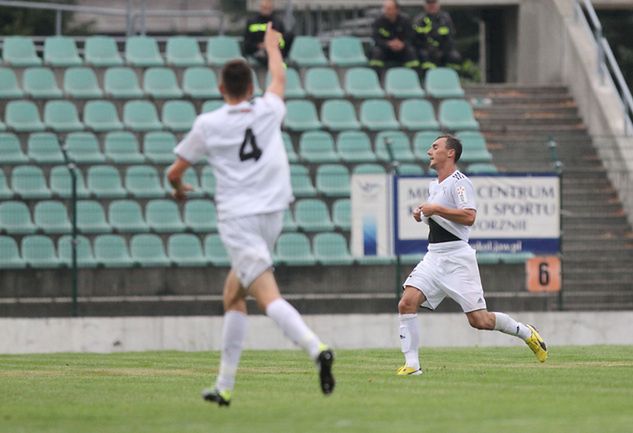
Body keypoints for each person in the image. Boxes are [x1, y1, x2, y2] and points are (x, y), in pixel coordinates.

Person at [167, 23, 334, 406]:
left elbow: (175, 171)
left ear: (221, 88)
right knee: (233, 294)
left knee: (266, 295)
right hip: (273, 213)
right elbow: (278, 76)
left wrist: (178, 190)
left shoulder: (208, 124)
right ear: (251, 87)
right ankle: (224, 387)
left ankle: (316, 348)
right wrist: (273, 46)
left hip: (238, 218)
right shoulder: (269, 108)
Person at [396, 135, 548, 376]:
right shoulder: (434, 186)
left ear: (450, 153)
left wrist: (434, 209)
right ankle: (412, 366)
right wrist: (422, 214)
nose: (429, 152)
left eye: (435, 147)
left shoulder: (460, 183)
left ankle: (526, 332)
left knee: (480, 321)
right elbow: (439, 217)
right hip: (434, 256)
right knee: (406, 302)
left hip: (457, 258)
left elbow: (469, 216)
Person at [412, 0, 461, 72]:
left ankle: (452, 78)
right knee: (423, 57)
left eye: (433, 3)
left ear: (438, 5)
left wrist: (442, 51)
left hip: (443, 50)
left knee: (455, 57)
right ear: (425, 6)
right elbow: (415, 39)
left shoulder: (446, 19)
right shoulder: (419, 20)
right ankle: (426, 78)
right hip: (425, 50)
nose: (432, 6)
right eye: (429, 3)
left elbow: (450, 38)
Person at [369, 0, 419, 69]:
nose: (386, 11)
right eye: (385, 8)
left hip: (402, 49)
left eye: (389, 9)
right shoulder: (378, 22)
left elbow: (411, 37)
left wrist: (403, 44)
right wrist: (388, 44)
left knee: (411, 51)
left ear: (396, 10)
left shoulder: (405, 21)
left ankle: (412, 75)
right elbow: (376, 38)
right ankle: (376, 76)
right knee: (377, 52)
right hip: (385, 50)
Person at [243, 0, 292, 65]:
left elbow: (283, 39)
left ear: (272, 8)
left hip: (274, 50)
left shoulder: (278, 22)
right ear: (260, 7)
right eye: (264, 7)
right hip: (257, 51)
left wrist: (274, 44)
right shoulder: (252, 22)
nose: (266, 10)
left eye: (268, 8)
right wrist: (259, 46)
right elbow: (247, 43)